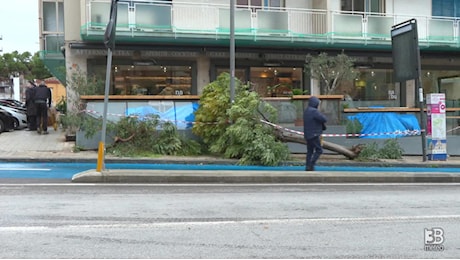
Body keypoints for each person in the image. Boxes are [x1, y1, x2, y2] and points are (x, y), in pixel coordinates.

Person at [303, 96, 327, 171]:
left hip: (307, 134)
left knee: (310, 151)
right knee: (319, 150)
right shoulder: (314, 111)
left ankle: (307, 166)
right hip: (315, 134)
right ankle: (311, 164)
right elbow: (324, 119)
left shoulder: (306, 111)